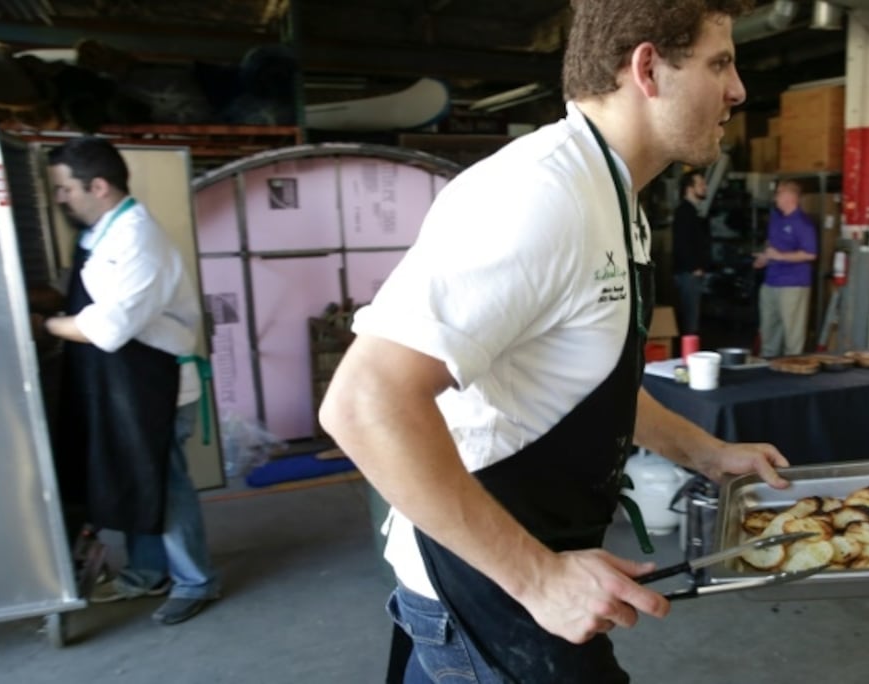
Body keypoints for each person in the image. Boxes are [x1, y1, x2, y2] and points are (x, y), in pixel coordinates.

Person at [319, 2, 790, 681]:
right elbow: (365, 403)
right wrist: (539, 579)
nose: (738, 89)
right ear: (648, 69)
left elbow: (587, 382)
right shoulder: (538, 194)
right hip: (485, 592)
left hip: (526, 569)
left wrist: (708, 453)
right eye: (721, 63)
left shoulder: (615, 196)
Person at [43, 136, 220, 625]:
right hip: (126, 383)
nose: (60, 199)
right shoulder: (101, 233)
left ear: (97, 186)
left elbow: (109, 328)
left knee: (163, 485)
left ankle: (195, 580)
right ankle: (148, 571)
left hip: (155, 384)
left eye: (63, 188)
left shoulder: (137, 239)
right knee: (135, 478)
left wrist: (41, 324)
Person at [753, 178, 817, 357]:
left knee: (792, 334)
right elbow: (772, 247)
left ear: (790, 196)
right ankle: (767, 368)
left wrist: (780, 256)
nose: (775, 197)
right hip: (771, 281)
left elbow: (810, 254)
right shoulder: (776, 219)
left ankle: (793, 370)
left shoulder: (803, 223)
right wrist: (765, 258)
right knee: (769, 330)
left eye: (779, 193)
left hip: (793, 284)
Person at [672, 169, 711, 335]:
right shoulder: (684, 212)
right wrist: (694, 267)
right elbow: (682, 243)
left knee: (691, 317)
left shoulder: (693, 212)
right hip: (689, 274)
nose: (705, 187)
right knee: (690, 319)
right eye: (701, 184)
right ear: (689, 189)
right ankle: (689, 356)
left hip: (691, 272)